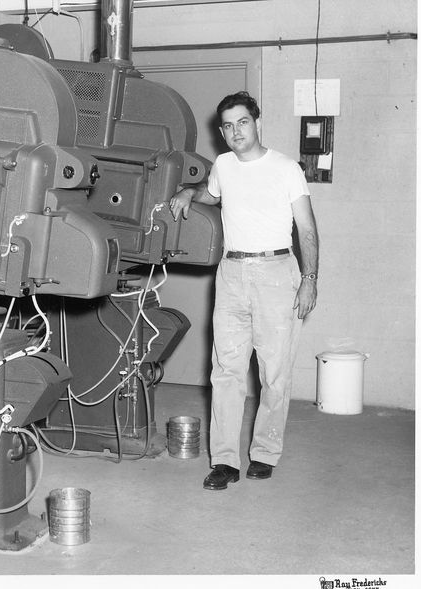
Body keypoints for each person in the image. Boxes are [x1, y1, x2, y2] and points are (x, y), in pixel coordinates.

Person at [169, 91, 319, 490]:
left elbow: (306, 228)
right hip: (232, 273)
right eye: (228, 126)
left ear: (257, 122)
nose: (236, 131)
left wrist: (309, 279)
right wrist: (188, 190)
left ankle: (265, 453)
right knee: (226, 371)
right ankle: (224, 461)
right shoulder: (222, 165)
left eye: (243, 122)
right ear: (222, 131)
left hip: (277, 272)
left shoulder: (285, 168)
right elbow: (214, 196)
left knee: (275, 373)